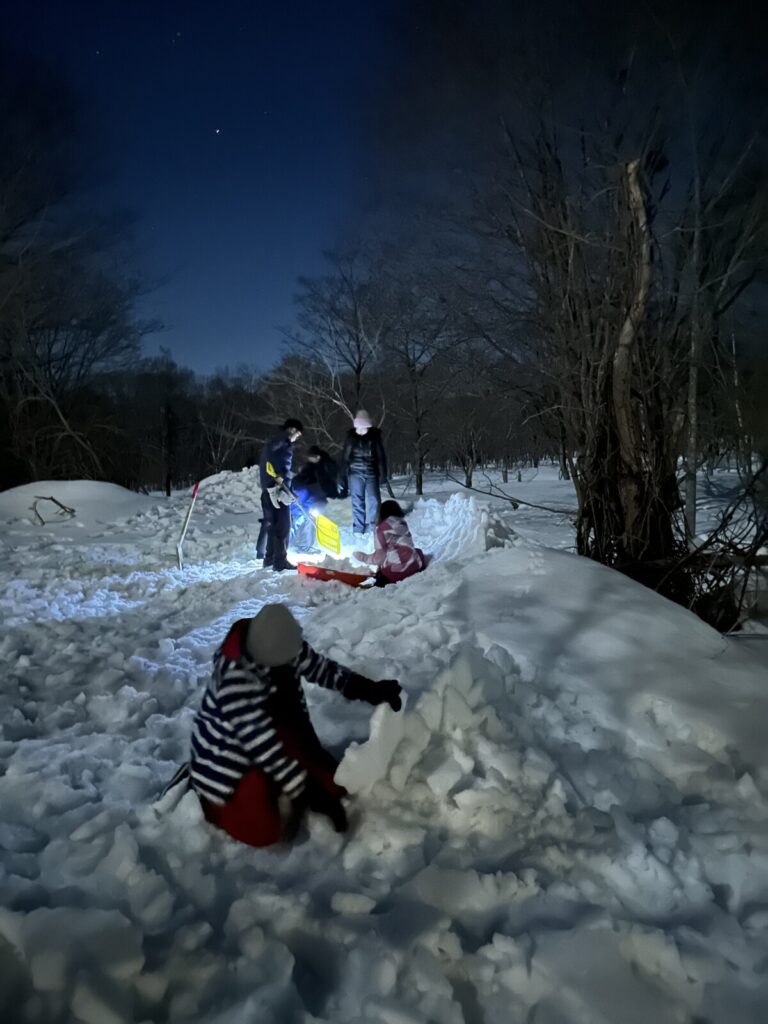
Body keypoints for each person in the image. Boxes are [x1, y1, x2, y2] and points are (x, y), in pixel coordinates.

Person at [189, 603, 402, 848]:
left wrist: (369, 689)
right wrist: (305, 790)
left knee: (335, 786)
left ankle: (285, 781)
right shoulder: (234, 678)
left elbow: (321, 670)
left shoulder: (282, 642)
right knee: (264, 832)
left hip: (277, 732)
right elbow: (264, 749)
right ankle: (204, 793)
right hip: (231, 755)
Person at [258, 418, 303, 571]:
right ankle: (280, 561)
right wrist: (280, 475)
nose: (297, 438)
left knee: (272, 525)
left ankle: (269, 559)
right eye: (298, 434)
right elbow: (272, 453)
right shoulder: (282, 439)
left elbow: (272, 457)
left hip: (269, 488)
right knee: (283, 526)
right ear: (292, 430)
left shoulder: (276, 438)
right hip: (276, 490)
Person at [353, 500, 426, 587]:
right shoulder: (402, 523)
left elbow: (379, 558)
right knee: (414, 551)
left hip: (398, 571)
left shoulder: (381, 529)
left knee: (384, 572)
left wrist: (363, 557)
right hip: (416, 565)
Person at [339, 410, 389, 536]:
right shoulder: (351, 438)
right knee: (357, 501)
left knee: (374, 500)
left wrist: (383, 474)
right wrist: (342, 476)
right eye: (359, 428)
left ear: (368, 426)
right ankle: (358, 529)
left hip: (372, 473)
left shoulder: (374, 438)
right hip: (355, 474)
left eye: (363, 428)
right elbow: (345, 458)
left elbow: (381, 456)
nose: (361, 430)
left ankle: (373, 526)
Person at [291, 446, 339, 552]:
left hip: (316, 498)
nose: (309, 459)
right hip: (309, 498)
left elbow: (322, 486)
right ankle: (297, 544)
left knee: (309, 519)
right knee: (302, 519)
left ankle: (304, 545)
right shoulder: (310, 470)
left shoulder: (322, 468)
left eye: (311, 457)